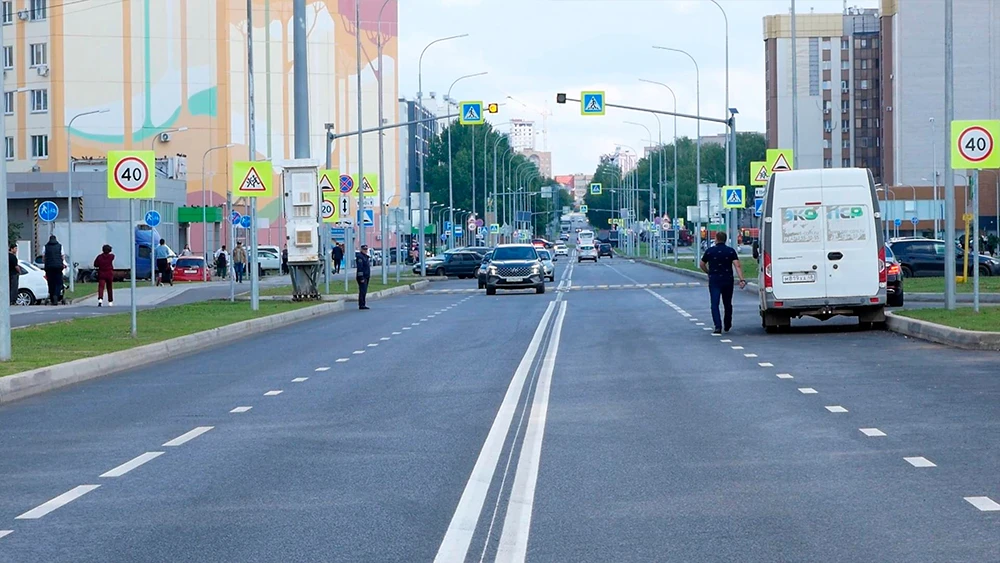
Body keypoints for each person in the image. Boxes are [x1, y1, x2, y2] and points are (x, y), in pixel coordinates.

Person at [699, 231, 746, 335]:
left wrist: (708, 272)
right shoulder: (730, 251)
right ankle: (727, 323)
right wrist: (742, 279)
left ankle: (717, 326)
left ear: (716, 239)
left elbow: (701, 264)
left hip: (714, 280)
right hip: (727, 280)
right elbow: (737, 265)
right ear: (725, 239)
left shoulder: (710, 251)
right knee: (727, 303)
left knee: (714, 304)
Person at [43, 234, 65, 305]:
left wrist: (46, 262)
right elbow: (62, 256)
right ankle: (56, 295)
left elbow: (43, 257)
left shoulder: (45, 247)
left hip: (49, 267)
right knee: (58, 282)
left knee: (50, 282)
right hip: (58, 267)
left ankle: (52, 297)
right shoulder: (60, 246)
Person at [356, 244, 371, 310]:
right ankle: (361, 305)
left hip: (366, 276)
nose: (365, 251)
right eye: (364, 249)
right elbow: (360, 268)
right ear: (361, 250)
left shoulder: (365, 257)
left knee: (364, 291)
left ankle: (363, 304)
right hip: (362, 277)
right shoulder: (360, 257)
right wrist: (361, 277)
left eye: (366, 249)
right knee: (362, 291)